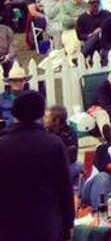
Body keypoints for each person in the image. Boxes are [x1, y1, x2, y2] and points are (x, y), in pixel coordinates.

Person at [0, 91, 73, 241]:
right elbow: (65, 188)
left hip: (10, 225)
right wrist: (68, 222)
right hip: (47, 223)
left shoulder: (2, 145)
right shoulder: (54, 143)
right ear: (40, 113)